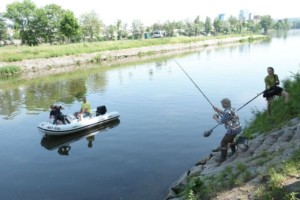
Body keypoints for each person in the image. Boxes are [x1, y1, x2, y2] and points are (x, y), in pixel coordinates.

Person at [212, 98, 242, 165]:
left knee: (223, 143)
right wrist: (218, 110)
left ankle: (223, 159)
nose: (221, 105)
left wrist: (215, 118)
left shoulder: (226, 112)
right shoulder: (232, 108)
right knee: (231, 140)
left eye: (222, 103)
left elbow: (221, 122)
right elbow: (227, 114)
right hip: (238, 128)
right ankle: (234, 152)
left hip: (232, 130)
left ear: (225, 104)